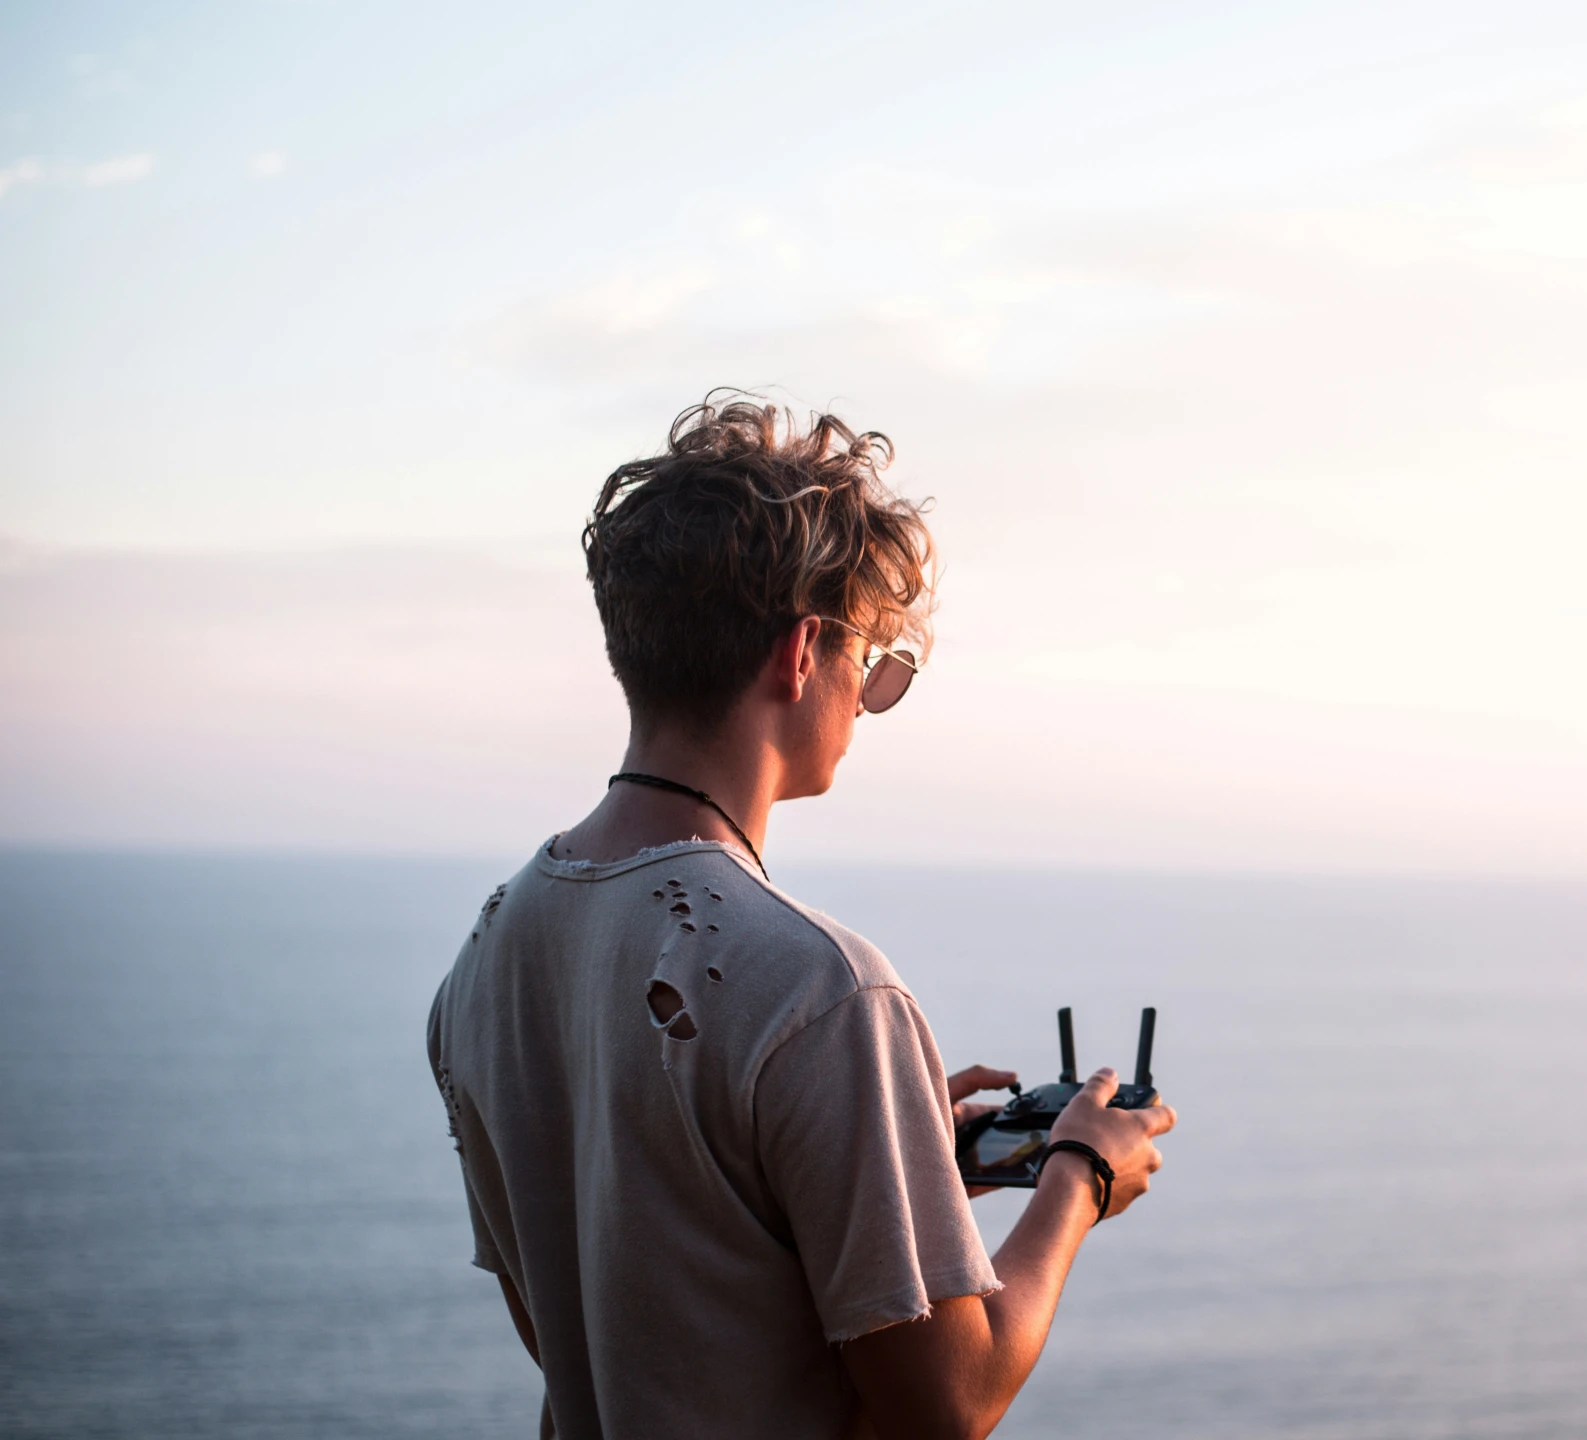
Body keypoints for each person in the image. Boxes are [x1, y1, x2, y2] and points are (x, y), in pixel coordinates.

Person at [426, 396, 1176, 1440]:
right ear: (801, 652)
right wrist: (1078, 1175)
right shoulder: (822, 989)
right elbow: (948, 1403)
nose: (869, 699)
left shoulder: (487, 952)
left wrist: (900, 1168)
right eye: (872, 661)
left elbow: (607, 1316)